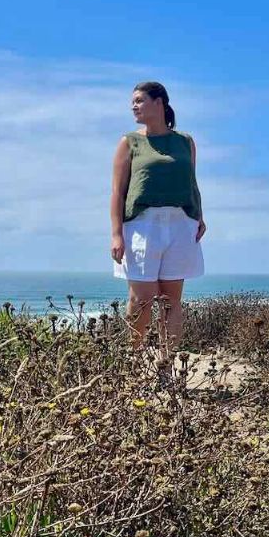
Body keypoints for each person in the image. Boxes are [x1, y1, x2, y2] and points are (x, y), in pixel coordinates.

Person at [110, 81, 206, 376]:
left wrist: (199, 216)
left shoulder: (185, 141)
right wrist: (116, 233)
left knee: (171, 301)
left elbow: (192, 182)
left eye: (139, 100)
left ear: (159, 102)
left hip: (180, 224)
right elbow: (117, 191)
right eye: (133, 102)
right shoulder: (129, 142)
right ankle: (132, 365)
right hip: (142, 225)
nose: (134, 106)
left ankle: (166, 367)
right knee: (141, 299)